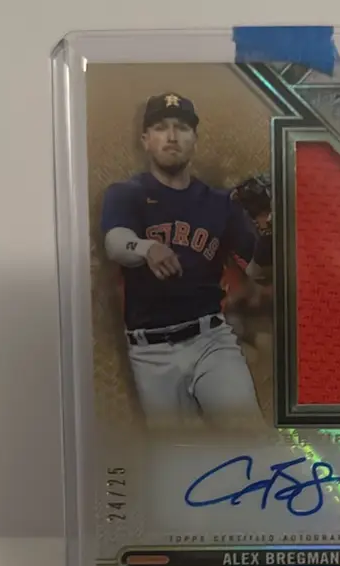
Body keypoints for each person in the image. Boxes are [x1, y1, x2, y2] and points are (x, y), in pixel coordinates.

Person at [99, 92, 269, 429]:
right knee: (178, 452)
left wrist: (269, 236)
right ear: (145, 140)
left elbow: (256, 271)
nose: (172, 136)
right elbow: (114, 241)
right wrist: (145, 247)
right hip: (150, 352)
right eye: (161, 127)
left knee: (249, 435)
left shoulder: (220, 203)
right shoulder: (126, 193)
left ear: (195, 139)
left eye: (182, 127)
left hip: (210, 341)